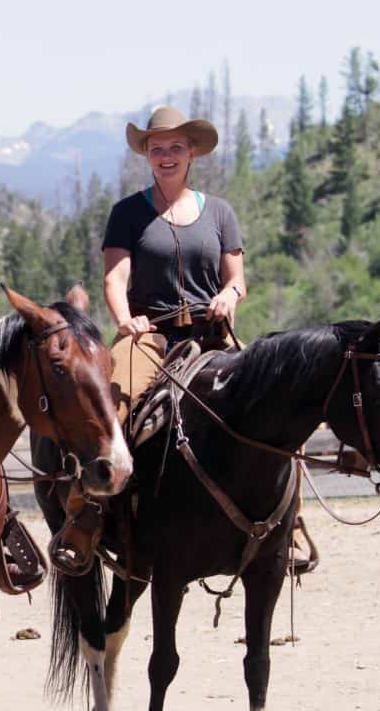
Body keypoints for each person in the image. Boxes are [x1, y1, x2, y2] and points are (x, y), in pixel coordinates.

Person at [52, 105, 247, 571]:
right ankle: (86, 514)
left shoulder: (219, 212)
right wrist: (125, 320)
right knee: (113, 405)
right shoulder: (127, 213)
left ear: (192, 152)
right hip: (151, 334)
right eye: (157, 149)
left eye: (175, 147)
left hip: (212, 333)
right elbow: (115, 279)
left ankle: (288, 523)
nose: (166, 156)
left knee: (273, 397)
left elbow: (237, 277)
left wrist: (228, 296)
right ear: (147, 155)